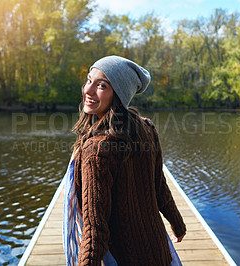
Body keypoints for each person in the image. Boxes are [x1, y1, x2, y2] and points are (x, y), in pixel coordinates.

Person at [63, 55, 186, 266]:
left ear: (118, 95)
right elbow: (159, 187)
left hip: (126, 257)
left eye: (101, 85)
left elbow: (95, 231)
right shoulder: (146, 128)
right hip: (157, 249)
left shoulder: (96, 151)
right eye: (89, 80)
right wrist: (177, 223)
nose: (88, 90)